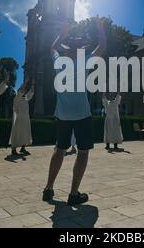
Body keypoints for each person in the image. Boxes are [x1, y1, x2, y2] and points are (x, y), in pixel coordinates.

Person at [43, 21, 106, 206]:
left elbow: (52, 48)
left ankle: (48, 188)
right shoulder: (84, 61)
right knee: (83, 152)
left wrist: (62, 34)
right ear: (80, 49)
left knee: (59, 149)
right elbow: (102, 46)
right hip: (81, 114)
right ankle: (73, 193)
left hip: (62, 114)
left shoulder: (59, 62)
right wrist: (101, 28)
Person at [9, 79, 34, 156]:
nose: (25, 92)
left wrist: (33, 85)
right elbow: (20, 92)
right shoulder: (17, 98)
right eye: (23, 90)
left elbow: (31, 93)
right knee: (17, 133)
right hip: (19, 119)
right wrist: (24, 84)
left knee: (25, 133)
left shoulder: (26, 98)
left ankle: (23, 148)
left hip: (26, 119)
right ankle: (13, 149)